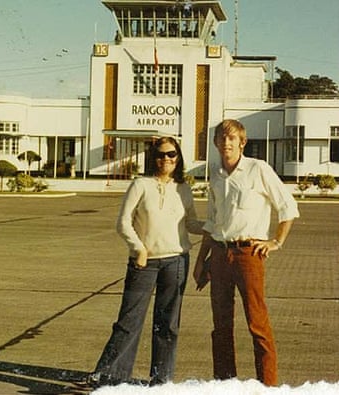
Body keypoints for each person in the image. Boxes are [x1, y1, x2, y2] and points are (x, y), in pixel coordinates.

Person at [89, 136, 203, 387]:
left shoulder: (183, 188)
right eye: (161, 155)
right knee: (129, 322)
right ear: (153, 158)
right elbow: (123, 223)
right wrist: (138, 248)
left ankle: (161, 380)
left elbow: (192, 223)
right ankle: (109, 378)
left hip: (176, 262)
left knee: (168, 325)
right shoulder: (141, 185)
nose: (166, 159)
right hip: (144, 263)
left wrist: (217, 228)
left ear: (178, 157)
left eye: (171, 154)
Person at [193, 119, 300, 386]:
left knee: (257, 323)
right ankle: (225, 385)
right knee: (221, 326)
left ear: (242, 142)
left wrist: (276, 242)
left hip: (249, 255)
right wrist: (201, 261)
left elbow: (287, 207)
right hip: (219, 254)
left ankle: (268, 386)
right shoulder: (216, 175)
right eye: (221, 138)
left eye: (232, 139)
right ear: (216, 143)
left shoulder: (258, 169)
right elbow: (212, 222)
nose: (226, 143)